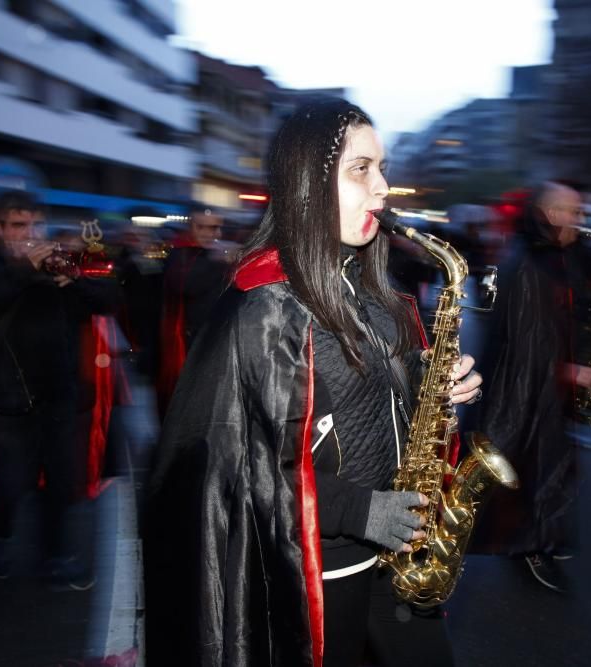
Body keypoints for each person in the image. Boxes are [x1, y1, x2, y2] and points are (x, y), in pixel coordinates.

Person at [144, 98, 482, 667]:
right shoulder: (263, 308)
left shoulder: (379, 295)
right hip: (321, 574)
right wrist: (359, 511)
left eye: (382, 168)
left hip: (398, 552)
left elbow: (377, 409)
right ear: (308, 180)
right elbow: (238, 471)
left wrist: (434, 389)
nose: (382, 189)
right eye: (361, 169)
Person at [0, 191, 117, 588]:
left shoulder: (55, 266)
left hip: (58, 395)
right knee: (12, 480)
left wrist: (73, 280)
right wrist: (23, 269)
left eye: (36, 224)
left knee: (61, 481)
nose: (30, 233)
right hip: (4, 400)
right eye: (20, 225)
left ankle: (55, 557)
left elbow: (108, 301)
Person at [471, 182, 591, 594]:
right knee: (535, 470)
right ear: (550, 214)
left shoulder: (551, 256)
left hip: (542, 389)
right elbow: (527, 344)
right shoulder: (530, 264)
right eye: (573, 212)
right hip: (526, 394)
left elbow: (563, 314)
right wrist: (569, 370)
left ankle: (544, 537)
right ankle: (532, 545)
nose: (580, 221)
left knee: (548, 468)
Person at [155, 203, 230, 416]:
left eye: (214, 228)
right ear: (191, 227)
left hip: (212, 345)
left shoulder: (216, 255)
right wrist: (221, 262)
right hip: (185, 347)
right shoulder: (181, 255)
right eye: (202, 227)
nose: (209, 233)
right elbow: (188, 285)